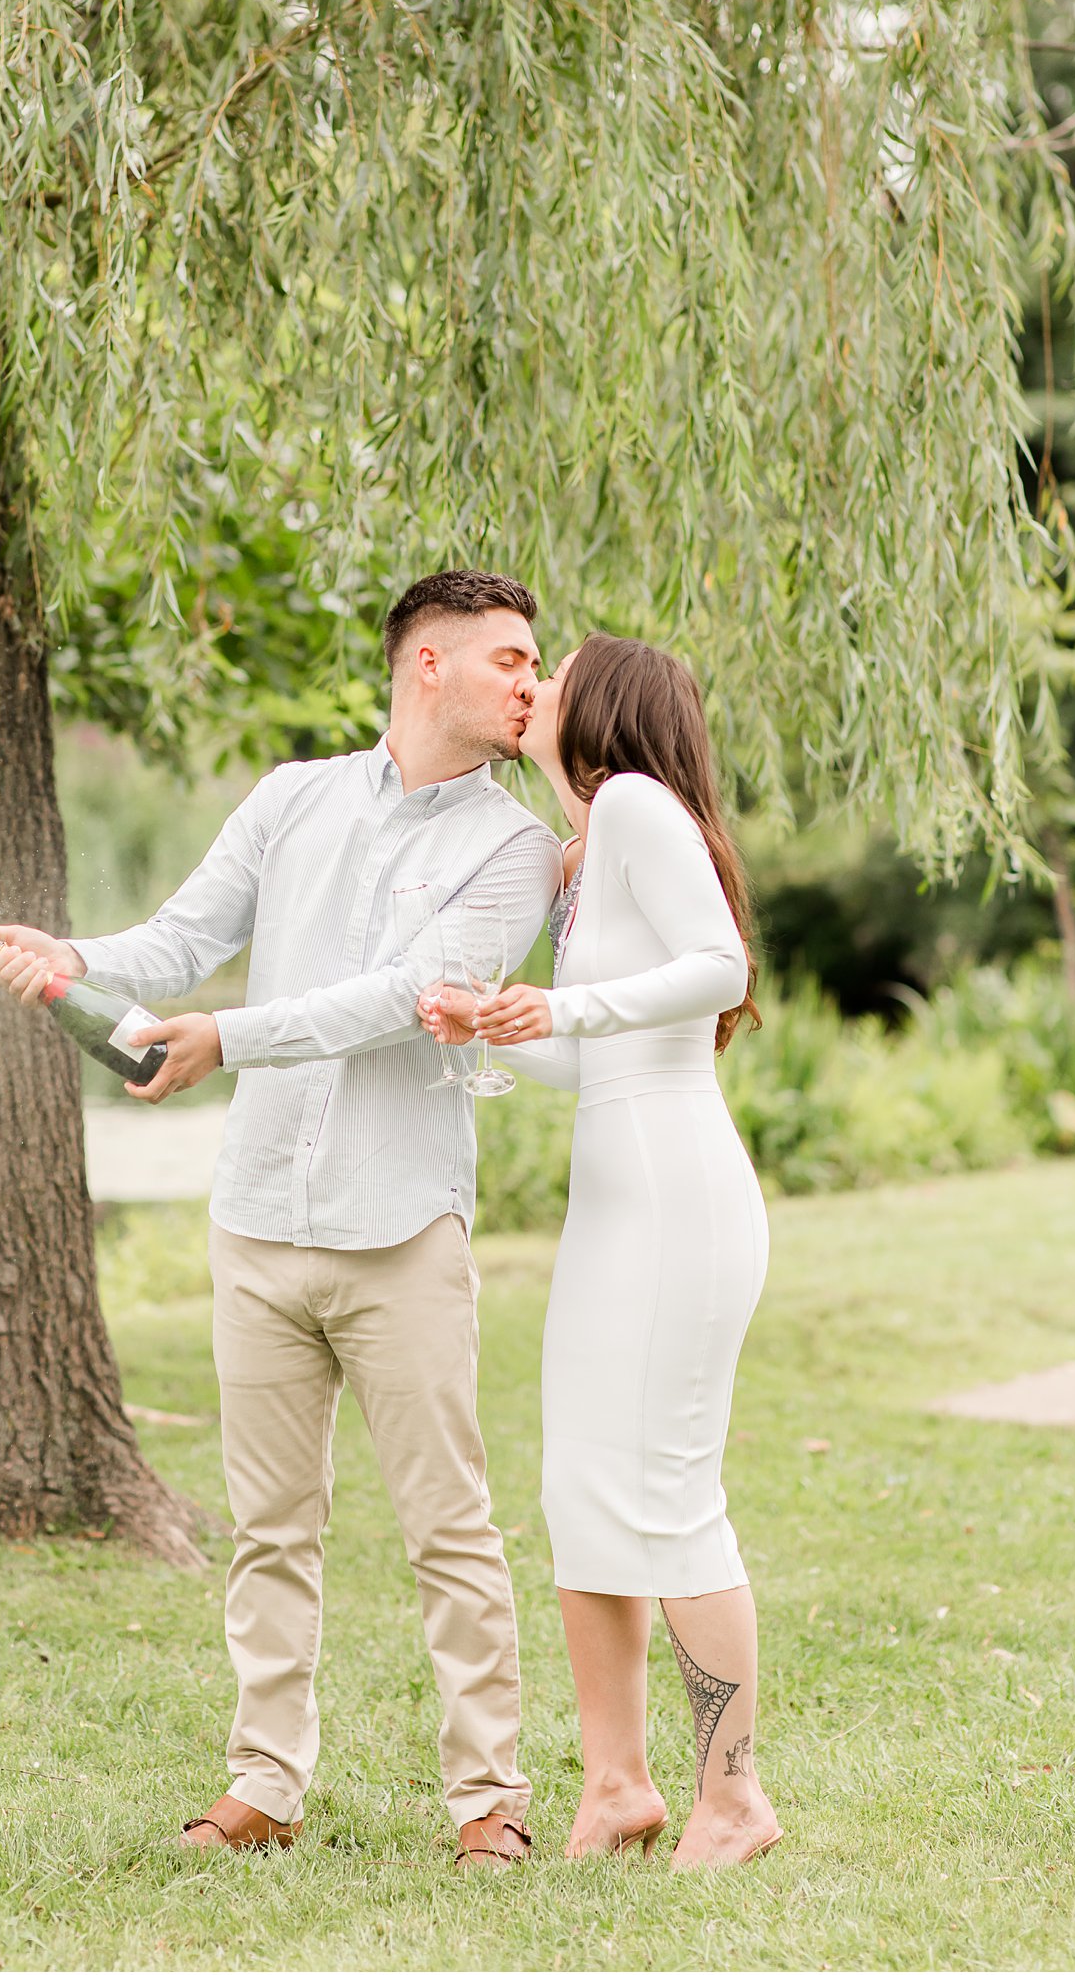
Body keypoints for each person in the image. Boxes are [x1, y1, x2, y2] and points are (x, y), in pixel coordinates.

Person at [0, 571, 561, 1870]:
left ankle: (489, 1802)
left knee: (448, 1525)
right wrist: (76, 961)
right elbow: (181, 938)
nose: (534, 685)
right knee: (269, 1527)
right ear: (429, 665)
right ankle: (264, 1785)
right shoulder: (290, 796)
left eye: (536, 664)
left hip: (403, 1231)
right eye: (512, 660)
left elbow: (408, 994)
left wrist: (226, 1039)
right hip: (255, 1226)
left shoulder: (515, 846)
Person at [423, 632, 781, 1869]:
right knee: (580, 1492)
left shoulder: (634, 803)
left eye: (553, 676)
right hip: (612, 1200)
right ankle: (616, 1788)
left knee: (672, 1495)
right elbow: (583, 1056)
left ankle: (731, 1797)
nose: (532, 692)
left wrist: (557, 1001)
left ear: (603, 706)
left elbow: (717, 966)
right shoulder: (589, 851)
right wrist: (485, 1026)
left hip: (677, 1197)